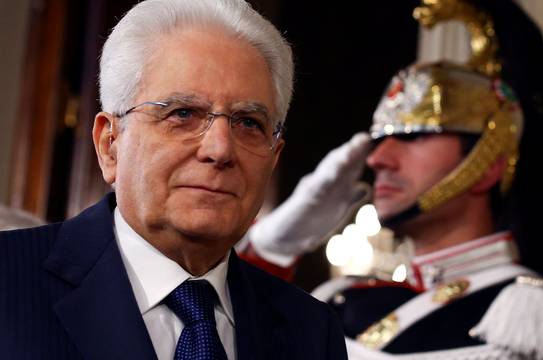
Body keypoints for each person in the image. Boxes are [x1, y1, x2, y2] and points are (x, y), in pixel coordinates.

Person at [239, 0, 543, 359]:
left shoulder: (541, 318)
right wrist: (275, 248)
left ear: (487, 162)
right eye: (382, 138)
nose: (379, 159)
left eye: (413, 136)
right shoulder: (340, 300)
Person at [0, 0, 347, 359]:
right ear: (109, 145)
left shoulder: (311, 331)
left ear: (274, 159)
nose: (220, 150)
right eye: (182, 114)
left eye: (248, 122)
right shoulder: (8, 281)